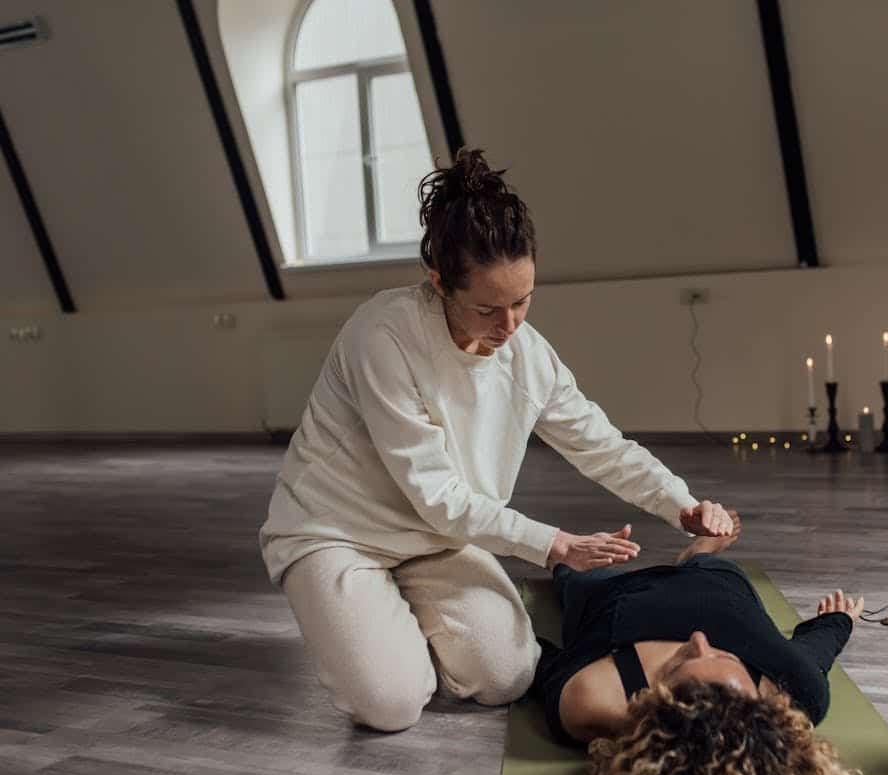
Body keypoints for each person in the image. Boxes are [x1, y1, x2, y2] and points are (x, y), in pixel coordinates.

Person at [258, 148, 736, 733]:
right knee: (391, 704)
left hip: (438, 541)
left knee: (507, 677)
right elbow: (436, 495)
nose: (509, 326)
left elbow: (601, 445)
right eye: (488, 308)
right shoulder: (382, 337)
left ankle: (398, 623)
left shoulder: (527, 354)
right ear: (439, 282)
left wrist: (680, 505)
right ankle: (372, 624)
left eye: (522, 301)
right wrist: (554, 544)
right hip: (339, 532)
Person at [531, 516, 866, 775]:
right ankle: (699, 553)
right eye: (727, 657)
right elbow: (814, 652)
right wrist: (838, 622)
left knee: (568, 570)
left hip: (613, 593)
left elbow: (533, 658)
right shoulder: (794, 687)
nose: (699, 639)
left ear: (655, 703)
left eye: (681, 664)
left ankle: (601, 567)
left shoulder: (592, 699)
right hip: (715, 583)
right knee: (710, 564)